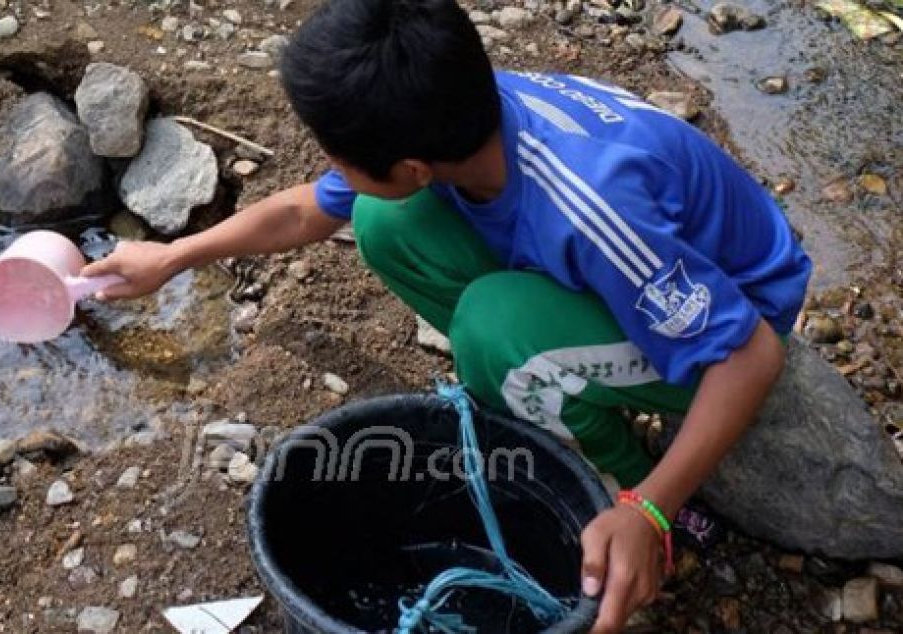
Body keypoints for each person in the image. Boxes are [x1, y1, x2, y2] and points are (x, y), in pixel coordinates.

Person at [83, 0, 812, 630]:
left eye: (336, 153)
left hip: (737, 314)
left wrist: (650, 508)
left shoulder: (593, 209)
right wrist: (173, 258)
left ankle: (630, 482)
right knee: (381, 222)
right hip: (628, 272)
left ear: (414, 168)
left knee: (495, 331)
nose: (327, 167)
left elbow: (748, 354)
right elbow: (305, 210)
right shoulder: (464, 113)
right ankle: (554, 386)